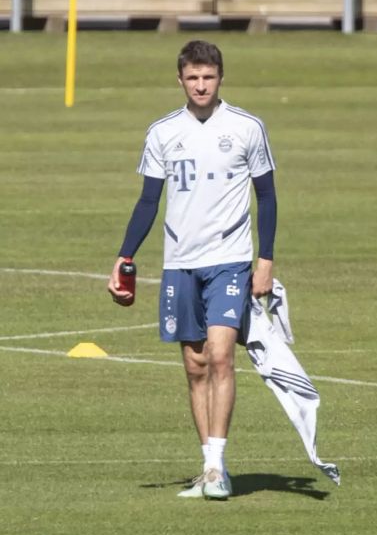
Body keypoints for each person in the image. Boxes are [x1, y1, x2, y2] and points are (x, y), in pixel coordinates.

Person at [107, 40, 277, 500]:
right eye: (193, 78)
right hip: (181, 263)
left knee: (221, 355)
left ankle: (219, 468)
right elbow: (148, 200)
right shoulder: (163, 132)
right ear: (180, 80)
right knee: (195, 364)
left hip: (230, 259)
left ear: (221, 77)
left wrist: (266, 260)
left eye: (209, 77)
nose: (201, 85)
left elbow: (266, 196)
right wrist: (125, 256)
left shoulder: (246, 128)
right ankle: (209, 466)